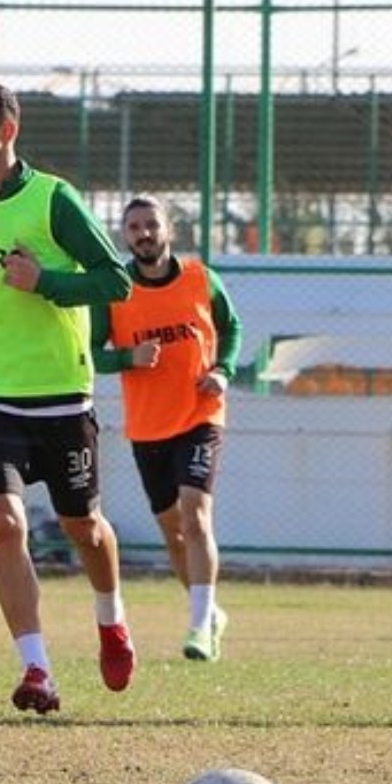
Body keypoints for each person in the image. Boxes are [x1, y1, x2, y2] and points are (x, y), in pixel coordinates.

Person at [0, 79, 135, 715]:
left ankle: (111, 620)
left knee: (82, 526)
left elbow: (115, 282)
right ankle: (37, 668)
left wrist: (46, 282)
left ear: (6, 132)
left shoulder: (53, 200)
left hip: (60, 390)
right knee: (4, 523)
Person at [90, 196, 243, 661]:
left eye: (151, 225)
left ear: (168, 230)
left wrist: (223, 371)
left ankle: (198, 628)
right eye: (134, 227)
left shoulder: (200, 278)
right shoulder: (114, 291)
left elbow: (231, 328)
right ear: (124, 235)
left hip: (200, 415)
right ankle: (209, 611)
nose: (144, 234)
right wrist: (127, 357)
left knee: (195, 514)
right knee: (173, 531)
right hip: (148, 426)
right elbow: (91, 354)